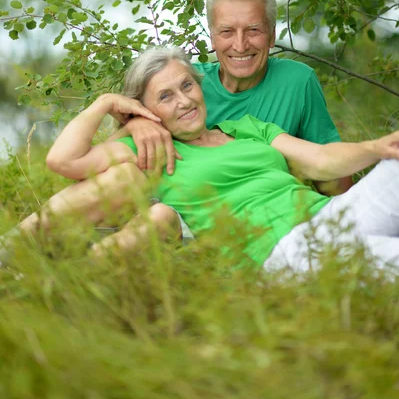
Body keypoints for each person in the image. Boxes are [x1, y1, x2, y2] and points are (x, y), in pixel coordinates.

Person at [11, 46, 399, 273]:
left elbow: (320, 160)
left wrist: (377, 148)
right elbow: (63, 161)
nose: (183, 101)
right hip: (286, 250)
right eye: (165, 97)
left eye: (186, 85)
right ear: (144, 111)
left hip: (333, 215)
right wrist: (108, 104)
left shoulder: (247, 128)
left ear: (200, 86)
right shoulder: (149, 152)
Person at [122, 0, 352, 197]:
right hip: (203, 216)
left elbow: (332, 176)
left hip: (279, 210)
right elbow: (119, 141)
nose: (240, 45)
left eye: (253, 30)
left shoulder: (297, 82)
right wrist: (137, 123)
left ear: (271, 36)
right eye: (227, 32)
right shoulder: (187, 84)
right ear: (213, 38)